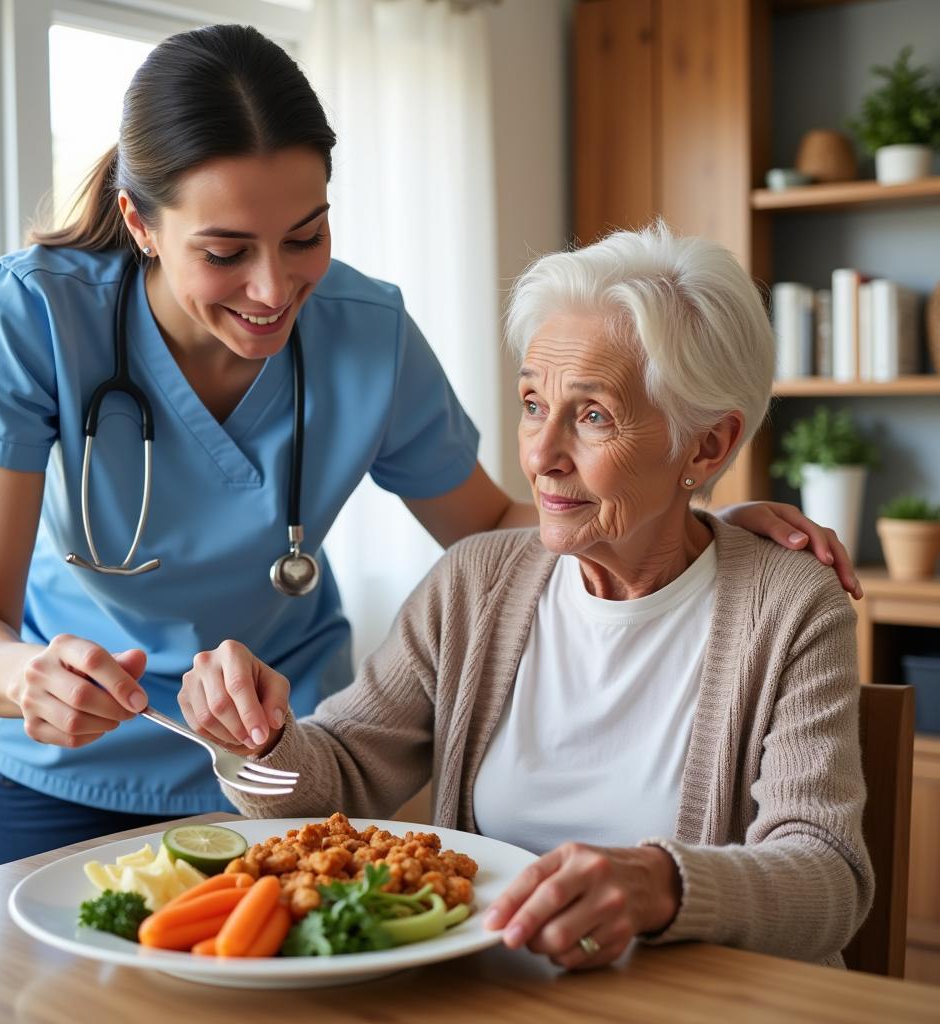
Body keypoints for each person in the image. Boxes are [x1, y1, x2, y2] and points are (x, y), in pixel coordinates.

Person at [0, 24, 855, 865]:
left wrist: (693, 517)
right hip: (71, 764)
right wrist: (25, 678)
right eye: (224, 251)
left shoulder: (365, 330)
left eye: (306, 236)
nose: (273, 288)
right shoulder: (36, 313)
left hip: (278, 752)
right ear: (141, 224)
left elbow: (494, 522)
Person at [223, 223, 873, 970]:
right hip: (496, 998)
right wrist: (258, 738)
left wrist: (665, 885)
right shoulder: (474, 583)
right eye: (534, 403)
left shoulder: (791, 607)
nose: (538, 454)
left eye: (592, 415)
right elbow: (336, 772)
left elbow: (829, 878)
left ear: (707, 446)